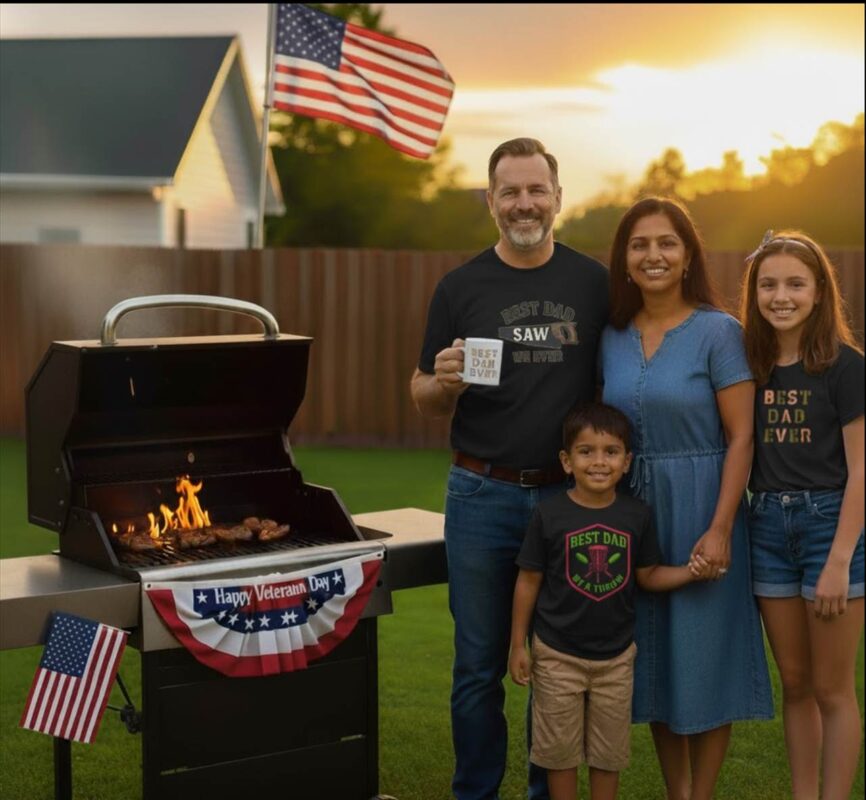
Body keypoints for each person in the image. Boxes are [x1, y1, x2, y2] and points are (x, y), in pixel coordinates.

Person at [410, 137, 609, 800]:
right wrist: (444, 383)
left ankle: (542, 791)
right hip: (480, 493)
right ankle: (476, 793)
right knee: (477, 666)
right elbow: (421, 394)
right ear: (491, 201)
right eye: (510, 192)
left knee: (554, 667)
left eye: (536, 190)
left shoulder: (592, 283)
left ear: (557, 197)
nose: (524, 203)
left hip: (564, 500)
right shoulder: (460, 287)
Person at [598, 197, 773, 800]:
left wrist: (722, 526)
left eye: (667, 243)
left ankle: (702, 795)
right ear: (623, 258)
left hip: (705, 503)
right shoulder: (611, 336)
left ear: (688, 255)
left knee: (706, 651)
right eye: (640, 244)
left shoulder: (719, 333)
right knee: (656, 661)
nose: (653, 255)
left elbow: (742, 437)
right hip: (636, 516)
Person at [509, 403, 712, 800]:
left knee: (608, 754)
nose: (599, 462)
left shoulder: (636, 515)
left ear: (626, 461)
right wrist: (519, 643)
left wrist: (692, 571)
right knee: (558, 753)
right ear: (567, 462)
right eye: (586, 452)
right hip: (556, 655)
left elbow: (648, 576)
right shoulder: (549, 515)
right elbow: (528, 581)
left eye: (611, 452)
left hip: (617, 659)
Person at [740, 230, 864, 800]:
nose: (780, 296)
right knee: (794, 683)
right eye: (768, 284)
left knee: (833, 688)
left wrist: (839, 560)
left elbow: (862, 469)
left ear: (819, 291)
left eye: (795, 283)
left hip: (828, 528)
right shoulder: (751, 366)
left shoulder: (845, 367)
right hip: (765, 526)